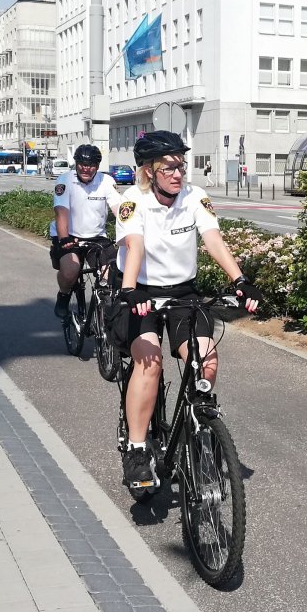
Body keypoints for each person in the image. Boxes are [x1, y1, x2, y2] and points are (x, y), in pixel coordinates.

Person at [113, 130, 260, 492]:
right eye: (169, 167)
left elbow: (213, 240)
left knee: (206, 357)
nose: (178, 173)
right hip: (142, 293)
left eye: (181, 165)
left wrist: (240, 280)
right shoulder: (132, 201)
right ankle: (136, 449)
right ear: (149, 170)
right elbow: (135, 246)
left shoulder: (195, 197)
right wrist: (129, 290)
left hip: (183, 293)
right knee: (150, 361)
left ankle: (199, 420)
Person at [50, 144, 122, 319]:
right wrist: (64, 238)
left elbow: (119, 210)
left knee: (111, 273)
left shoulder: (106, 181)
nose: (86, 169)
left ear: (97, 166)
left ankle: (105, 311)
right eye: (82, 164)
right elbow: (61, 212)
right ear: (76, 163)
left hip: (97, 236)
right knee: (70, 271)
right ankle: (64, 295)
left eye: (91, 165)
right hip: (70, 235)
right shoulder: (65, 180)